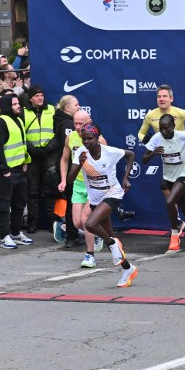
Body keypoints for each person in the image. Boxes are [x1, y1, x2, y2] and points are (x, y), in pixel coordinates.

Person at [67, 124, 138, 287]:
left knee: (90, 224)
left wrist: (126, 178)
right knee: (108, 236)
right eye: (84, 138)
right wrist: (79, 164)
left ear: (98, 138)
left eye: (90, 138)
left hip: (112, 194)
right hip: (95, 199)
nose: (87, 141)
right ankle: (128, 268)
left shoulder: (109, 152)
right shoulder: (80, 153)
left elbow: (131, 154)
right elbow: (70, 179)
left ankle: (114, 243)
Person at [143, 114, 185, 253]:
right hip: (168, 176)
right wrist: (153, 153)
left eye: (167, 129)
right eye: (161, 129)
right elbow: (144, 159)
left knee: (170, 201)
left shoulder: (182, 135)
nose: (164, 132)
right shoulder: (157, 138)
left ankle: (174, 235)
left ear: (173, 127)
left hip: (184, 173)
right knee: (184, 207)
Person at [58, 110, 106, 266]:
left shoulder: (100, 140)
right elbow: (64, 159)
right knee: (77, 223)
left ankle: (89, 255)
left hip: (93, 185)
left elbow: (107, 165)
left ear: (89, 122)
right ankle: (96, 233)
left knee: (86, 221)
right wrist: (64, 180)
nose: (78, 127)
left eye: (82, 124)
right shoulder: (70, 137)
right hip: (78, 184)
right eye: (75, 123)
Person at [0, 94, 33, 249]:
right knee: (4, 204)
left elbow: (21, 145)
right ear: (6, 106)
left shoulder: (18, 120)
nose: (19, 106)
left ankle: (16, 233)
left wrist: (25, 162)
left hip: (19, 170)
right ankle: (4, 236)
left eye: (18, 103)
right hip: (5, 172)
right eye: (15, 104)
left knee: (19, 203)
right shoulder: (1, 123)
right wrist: (5, 170)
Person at [23, 85, 57, 232]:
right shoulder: (24, 113)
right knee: (32, 191)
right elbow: (21, 134)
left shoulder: (52, 110)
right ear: (30, 98)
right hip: (32, 157)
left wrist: (47, 149)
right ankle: (32, 222)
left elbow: (58, 132)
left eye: (41, 95)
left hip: (49, 155)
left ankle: (52, 223)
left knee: (50, 189)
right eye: (37, 95)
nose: (40, 98)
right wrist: (33, 150)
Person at [51, 94, 82, 247]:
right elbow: (68, 153)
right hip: (71, 170)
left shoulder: (61, 121)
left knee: (73, 202)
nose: (79, 107)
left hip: (71, 169)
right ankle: (71, 235)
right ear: (67, 108)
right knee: (73, 202)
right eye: (76, 105)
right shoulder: (68, 125)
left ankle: (73, 231)